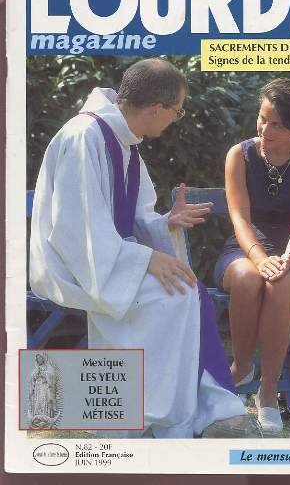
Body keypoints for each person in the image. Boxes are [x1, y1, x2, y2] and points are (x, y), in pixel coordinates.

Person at [29, 58, 255, 439]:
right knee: (177, 296)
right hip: (75, 266)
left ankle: (195, 410)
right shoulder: (85, 138)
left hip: (108, 261)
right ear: (155, 108)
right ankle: (160, 415)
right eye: (177, 111)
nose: (175, 119)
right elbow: (80, 230)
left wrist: (165, 224)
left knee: (185, 291)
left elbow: (130, 219)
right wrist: (146, 257)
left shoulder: (124, 142)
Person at [214, 78, 290, 434]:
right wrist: (258, 257)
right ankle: (241, 367)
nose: (265, 129)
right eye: (262, 119)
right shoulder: (239, 154)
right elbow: (239, 218)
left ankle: (268, 389)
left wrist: (289, 257)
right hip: (245, 247)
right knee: (248, 277)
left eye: (277, 124)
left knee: (279, 286)